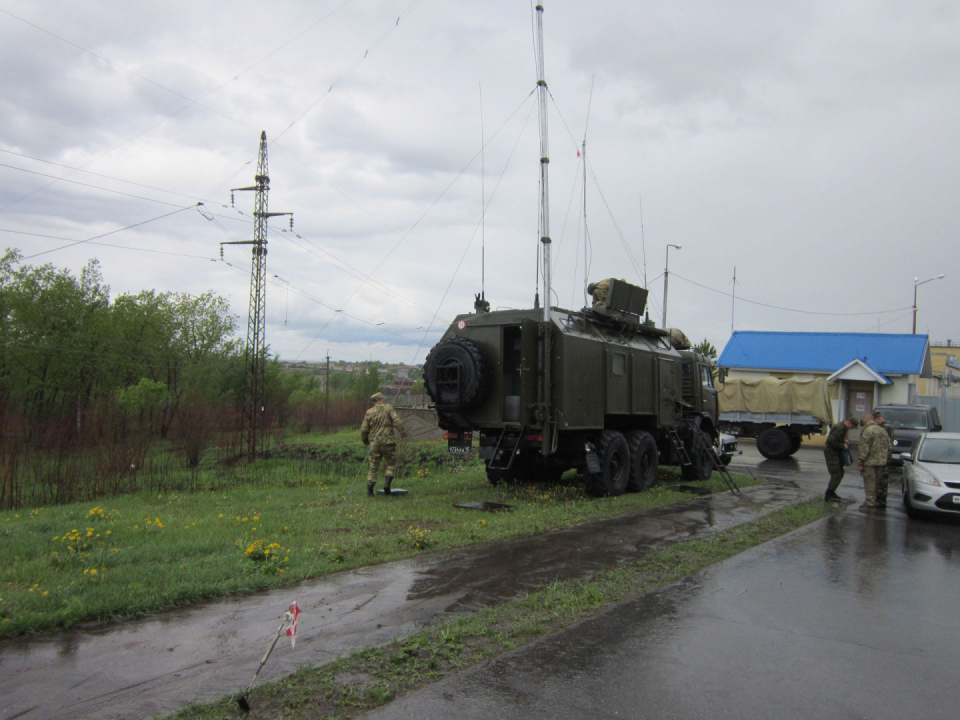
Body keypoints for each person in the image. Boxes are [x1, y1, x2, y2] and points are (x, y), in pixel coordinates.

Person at [360, 392, 407, 496]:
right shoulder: (388, 408)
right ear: (380, 399)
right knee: (391, 463)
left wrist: (365, 441)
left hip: (375, 443)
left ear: (373, 402)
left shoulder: (369, 412)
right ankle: (387, 484)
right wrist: (403, 434)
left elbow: (364, 429)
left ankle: (370, 492)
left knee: (373, 466)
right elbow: (397, 421)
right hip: (388, 442)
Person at [857, 412, 893, 510]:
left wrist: (860, 462)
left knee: (869, 483)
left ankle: (869, 503)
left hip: (870, 462)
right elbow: (889, 447)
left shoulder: (867, 431)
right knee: (877, 483)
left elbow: (864, 449)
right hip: (881, 462)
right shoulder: (883, 430)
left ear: (866, 420)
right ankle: (875, 501)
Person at [823, 416, 858, 502]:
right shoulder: (839, 428)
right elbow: (831, 441)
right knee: (836, 474)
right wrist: (843, 446)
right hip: (831, 453)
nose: (852, 429)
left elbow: (837, 439)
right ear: (849, 423)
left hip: (835, 453)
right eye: (852, 427)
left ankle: (832, 492)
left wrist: (844, 442)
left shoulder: (842, 428)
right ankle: (829, 494)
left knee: (840, 473)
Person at [872, 408, 895, 506]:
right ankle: (879, 499)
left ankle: (881, 500)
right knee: (880, 478)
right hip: (883, 456)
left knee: (882, 479)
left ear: (878, 419)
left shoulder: (885, 427)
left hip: (884, 456)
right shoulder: (886, 427)